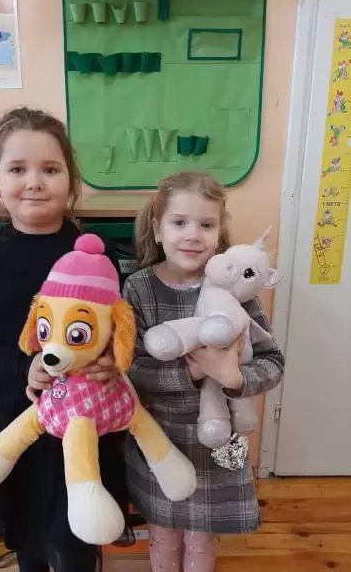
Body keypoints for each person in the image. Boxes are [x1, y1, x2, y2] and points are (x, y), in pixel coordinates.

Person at [0, 107, 130, 572]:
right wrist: (21, 367)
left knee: (75, 533)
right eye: (17, 169)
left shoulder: (95, 256)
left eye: (49, 169)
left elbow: (119, 328)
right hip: (9, 414)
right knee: (26, 531)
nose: (34, 182)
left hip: (82, 419)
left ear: (71, 180)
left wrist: (112, 360)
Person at [122, 171, 284, 572]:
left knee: (201, 537)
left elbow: (272, 361)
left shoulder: (237, 287)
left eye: (206, 225)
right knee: (162, 532)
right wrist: (194, 373)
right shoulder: (138, 288)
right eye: (180, 222)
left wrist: (234, 378)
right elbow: (130, 369)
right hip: (159, 438)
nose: (193, 235)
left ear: (219, 232)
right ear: (157, 228)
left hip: (219, 438)